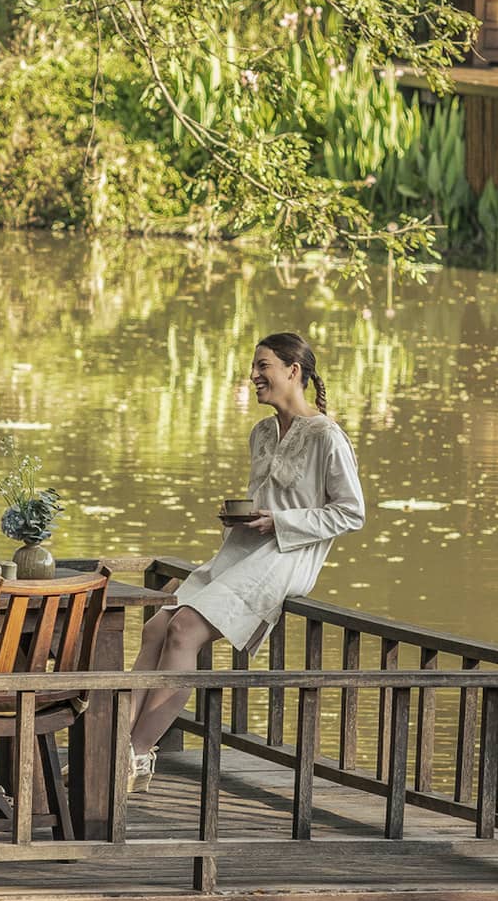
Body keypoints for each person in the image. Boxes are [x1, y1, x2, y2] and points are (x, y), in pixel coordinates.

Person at [125, 331, 365, 790]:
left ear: (294, 371)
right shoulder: (261, 433)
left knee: (184, 631)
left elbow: (351, 513)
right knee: (157, 626)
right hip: (241, 551)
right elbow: (267, 496)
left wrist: (279, 523)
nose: (253, 375)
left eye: (263, 366)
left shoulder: (327, 436)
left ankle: (136, 755)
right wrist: (246, 518)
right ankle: (115, 745)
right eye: (255, 367)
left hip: (287, 557)